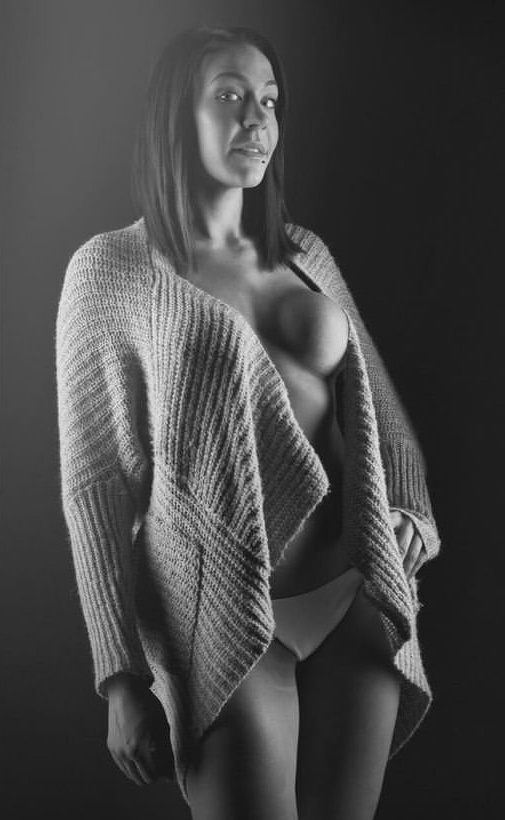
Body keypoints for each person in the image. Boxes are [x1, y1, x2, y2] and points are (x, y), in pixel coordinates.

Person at [55, 24, 441, 820]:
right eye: (229, 97)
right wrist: (120, 679)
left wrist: (410, 514)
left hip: (353, 600)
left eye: (268, 101)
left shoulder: (305, 254)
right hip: (220, 623)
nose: (255, 119)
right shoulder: (110, 272)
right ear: (175, 116)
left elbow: (379, 410)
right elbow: (95, 488)